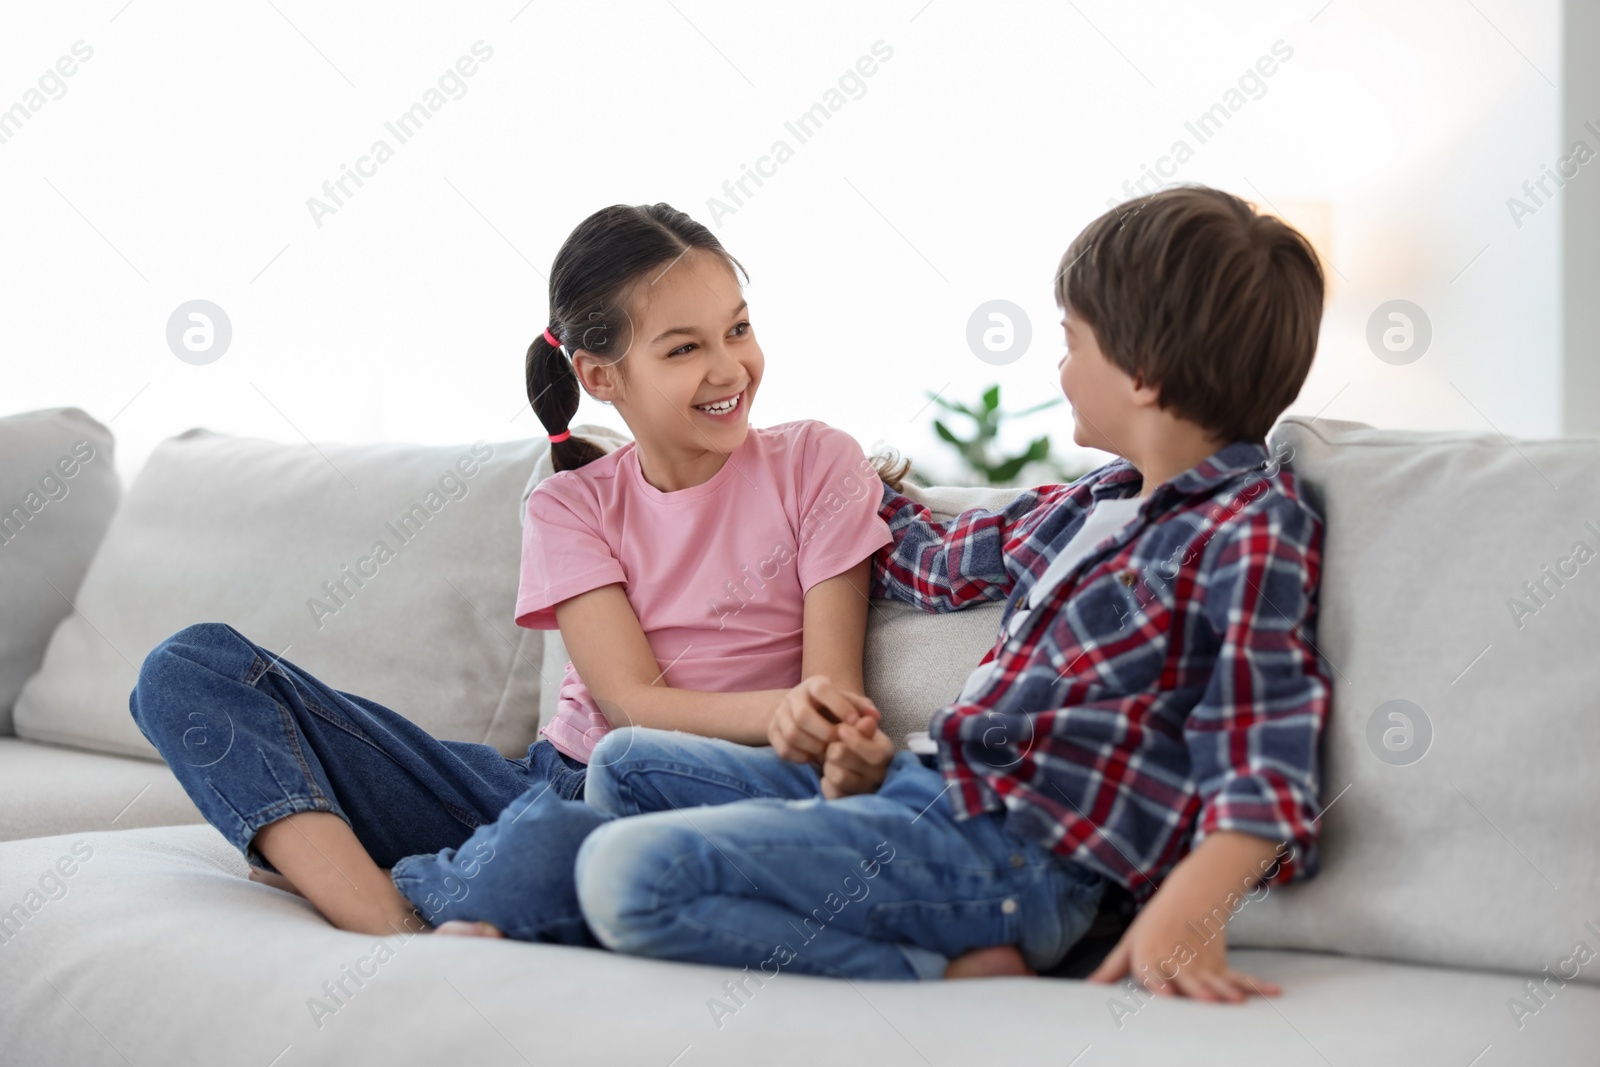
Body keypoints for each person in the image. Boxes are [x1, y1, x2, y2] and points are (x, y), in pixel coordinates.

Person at [566, 185, 1334, 997]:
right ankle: (874, 915)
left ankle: (939, 972)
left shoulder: (1252, 525)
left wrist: (1189, 905)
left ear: (1141, 373)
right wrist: (803, 484)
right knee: (623, 763)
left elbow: (1268, 735)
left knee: (623, 874)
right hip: (926, 793)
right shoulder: (1092, 503)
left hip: (1018, 851)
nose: (1059, 366)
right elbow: (930, 559)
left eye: (1072, 342)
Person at [129, 202, 899, 941]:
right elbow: (629, 699)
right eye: (684, 347)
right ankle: (393, 920)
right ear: (601, 377)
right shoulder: (570, 505)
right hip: (547, 783)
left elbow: (833, 699)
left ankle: (407, 882)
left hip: (701, 792)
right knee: (186, 667)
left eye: (738, 328)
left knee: (557, 841)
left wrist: (828, 732)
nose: (731, 366)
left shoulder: (815, 463)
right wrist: (785, 711)